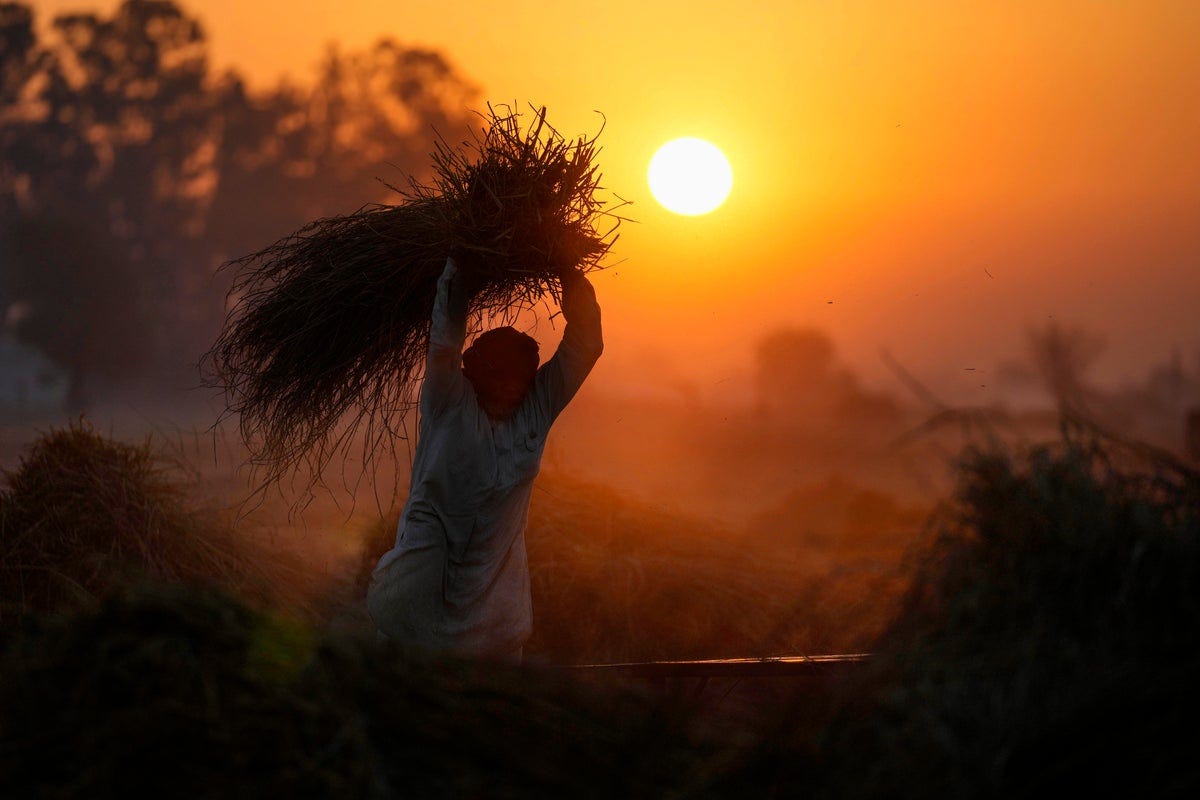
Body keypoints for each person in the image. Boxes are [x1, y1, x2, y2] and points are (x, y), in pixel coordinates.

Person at [367, 256, 603, 661]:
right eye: (500, 376)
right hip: (416, 600)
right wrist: (461, 263)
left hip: (493, 616)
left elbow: (586, 346)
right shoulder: (448, 401)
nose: (511, 388)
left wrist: (567, 267)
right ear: (476, 373)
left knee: (485, 711)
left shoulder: (536, 408)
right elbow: (444, 341)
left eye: (520, 379)